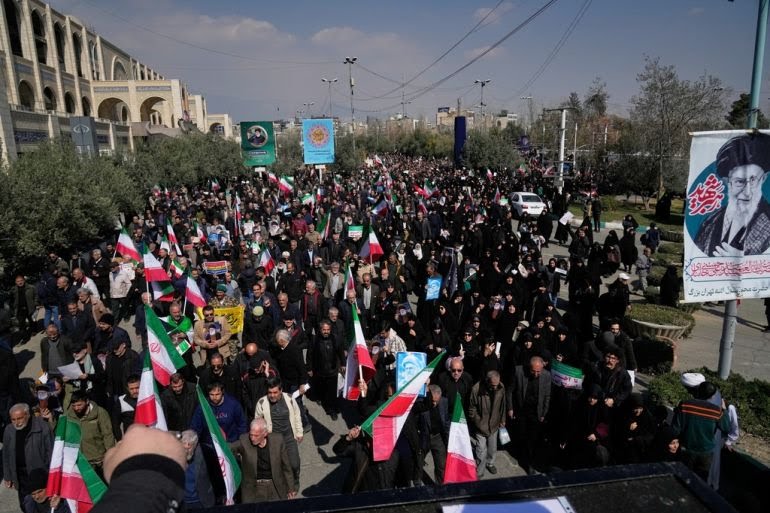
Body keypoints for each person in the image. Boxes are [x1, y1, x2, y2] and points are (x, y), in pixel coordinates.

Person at [694, 133, 770, 256]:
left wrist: (746, 261)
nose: (747, 192)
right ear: (727, 181)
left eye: (753, 180)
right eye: (739, 182)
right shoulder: (710, 222)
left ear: (764, 178)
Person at [672, 380, 732, 481]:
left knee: (681, 478)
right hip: (706, 452)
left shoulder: (685, 404)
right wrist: (724, 410)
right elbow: (726, 428)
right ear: (712, 397)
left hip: (687, 449)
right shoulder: (716, 411)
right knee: (700, 482)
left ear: (698, 391)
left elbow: (675, 428)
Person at [254, 376, 303, 490]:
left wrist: (299, 432)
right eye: (270, 392)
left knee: (294, 464)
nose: (272, 395)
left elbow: (297, 415)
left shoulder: (289, 398)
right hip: (273, 440)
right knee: (278, 466)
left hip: (289, 438)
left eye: (275, 392)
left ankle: (295, 481)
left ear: (281, 390)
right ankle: (284, 485)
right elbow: (258, 422)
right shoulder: (261, 403)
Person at [229, 418, 297, 502]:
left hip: (274, 484)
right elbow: (229, 448)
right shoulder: (244, 441)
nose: (252, 438)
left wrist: (291, 488)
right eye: (251, 435)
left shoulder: (278, 441)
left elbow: (286, 467)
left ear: (265, 433)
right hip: (255, 487)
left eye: (256, 435)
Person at [2, 404, 53, 510]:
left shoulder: (42, 427)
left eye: (19, 418)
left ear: (27, 415)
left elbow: (51, 452)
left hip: (40, 474)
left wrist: (51, 475)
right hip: (21, 475)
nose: (17, 422)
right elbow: (6, 454)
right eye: (13, 419)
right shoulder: (9, 430)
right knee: (25, 504)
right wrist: (7, 475)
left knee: (42, 505)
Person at [507, 357, 551, 474]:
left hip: (536, 412)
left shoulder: (546, 375)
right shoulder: (518, 371)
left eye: (538, 372)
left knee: (533, 438)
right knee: (522, 435)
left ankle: (529, 463)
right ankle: (521, 455)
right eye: (533, 371)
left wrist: (544, 413)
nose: (536, 374)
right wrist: (510, 408)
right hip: (521, 410)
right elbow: (510, 390)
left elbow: (547, 396)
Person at [65, 390, 116, 476]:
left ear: (87, 401)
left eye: (79, 405)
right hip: (80, 460)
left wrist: (110, 455)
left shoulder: (100, 413)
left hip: (98, 459)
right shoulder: (68, 415)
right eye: (74, 406)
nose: (76, 408)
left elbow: (108, 435)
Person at [468, 370, 506, 477]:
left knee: (492, 448)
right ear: (487, 381)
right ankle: (479, 471)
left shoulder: (501, 387)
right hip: (481, 425)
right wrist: (476, 420)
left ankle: (490, 463)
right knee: (481, 450)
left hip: (494, 424)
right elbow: (472, 407)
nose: (495, 387)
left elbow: (503, 404)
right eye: (493, 385)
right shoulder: (476, 389)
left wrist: (502, 419)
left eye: (497, 385)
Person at [417, 385, 450, 485]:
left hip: (438, 437)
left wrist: (449, 439)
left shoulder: (444, 401)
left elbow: (446, 421)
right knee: (418, 462)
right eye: (432, 401)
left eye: (437, 401)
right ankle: (417, 483)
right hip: (423, 437)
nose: (434, 403)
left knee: (441, 465)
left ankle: (440, 486)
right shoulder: (420, 403)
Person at [178, 430, 215, 509]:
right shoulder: (174, 454)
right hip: (182, 503)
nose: (186, 451)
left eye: (189, 447)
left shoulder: (206, 453)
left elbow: (216, 476)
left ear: (195, 445)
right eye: (183, 447)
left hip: (201, 502)